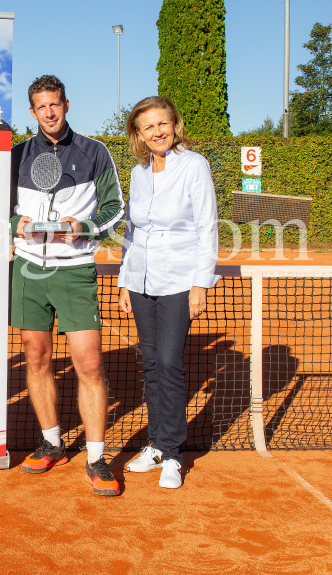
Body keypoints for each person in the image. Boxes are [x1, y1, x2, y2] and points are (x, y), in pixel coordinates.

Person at [10, 75, 125, 496]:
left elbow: (116, 207)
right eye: (41, 107)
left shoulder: (94, 152)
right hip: (26, 269)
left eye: (55, 104)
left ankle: (96, 457)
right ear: (32, 111)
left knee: (89, 363)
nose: (50, 113)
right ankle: (52, 442)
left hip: (75, 269)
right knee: (35, 357)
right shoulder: (17, 154)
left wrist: (85, 227)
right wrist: (12, 223)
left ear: (66, 104)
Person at [117, 96, 220, 489]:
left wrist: (200, 283)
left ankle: (174, 454)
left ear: (175, 125)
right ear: (139, 135)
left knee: (170, 362)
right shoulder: (139, 172)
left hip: (180, 279)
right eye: (148, 127)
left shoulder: (195, 165)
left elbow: (207, 227)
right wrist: (125, 279)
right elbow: (132, 230)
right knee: (150, 364)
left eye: (163, 124)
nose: (157, 132)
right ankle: (156, 444)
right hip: (140, 279)